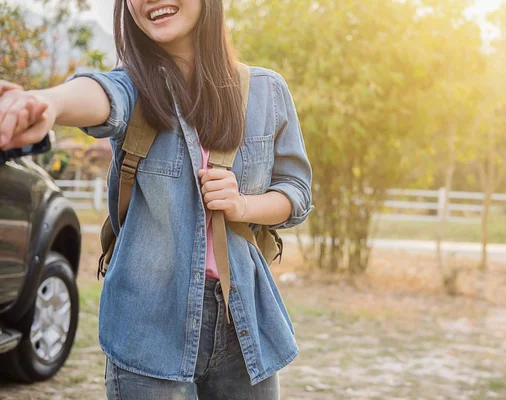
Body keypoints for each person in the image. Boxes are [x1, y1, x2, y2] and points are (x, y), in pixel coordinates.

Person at [0, 0, 313, 398]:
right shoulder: (135, 86)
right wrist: (49, 102)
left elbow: (296, 191)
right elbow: (103, 95)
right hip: (149, 324)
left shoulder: (267, 91)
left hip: (243, 322)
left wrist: (243, 206)